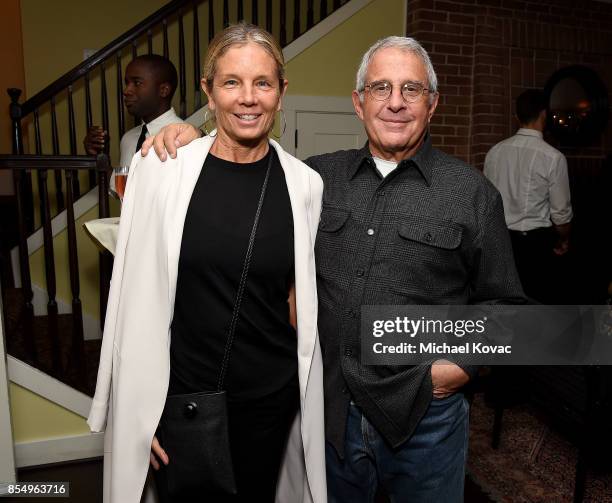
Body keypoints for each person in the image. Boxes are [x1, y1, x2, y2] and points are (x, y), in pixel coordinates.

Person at [144, 35, 525, 503]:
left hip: (425, 418)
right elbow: (243, 179)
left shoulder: (473, 194)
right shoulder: (314, 179)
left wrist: (457, 369)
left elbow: (508, 310)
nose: (396, 103)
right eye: (381, 88)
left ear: (433, 103)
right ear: (358, 102)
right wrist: (186, 139)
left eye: (412, 90)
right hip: (331, 416)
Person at [88, 24, 326, 503]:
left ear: (282, 92)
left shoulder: (305, 185)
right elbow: (133, 300)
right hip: (185, 401)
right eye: (231, 82)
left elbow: (297, 302)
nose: (248, 98)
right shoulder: (161, 170)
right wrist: (142, 409)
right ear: (207, 91)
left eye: (262, 82)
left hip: (268, 402)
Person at [484, 89, 573, 303]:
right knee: (536, 310)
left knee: (502, 308)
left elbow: (485, 203)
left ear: (517, 117)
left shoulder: (494, 152)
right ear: (544, 115)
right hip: (535, 247)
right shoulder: (553, 157)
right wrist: (563, 239)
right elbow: (561, 214)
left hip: (499, 245)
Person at [83, 54, 183, 170]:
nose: (126, 91)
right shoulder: (128, 139)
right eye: (127, 83)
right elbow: (121, 187)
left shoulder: (183, 139)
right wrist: (98, 157)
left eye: (137, 83)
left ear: (163, 90)